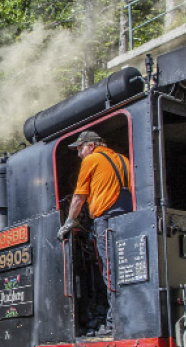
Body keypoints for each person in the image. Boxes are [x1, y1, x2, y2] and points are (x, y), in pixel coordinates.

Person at [56, 130, 132, 334]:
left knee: (109, 271)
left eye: (80, 148)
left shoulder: (91, 161)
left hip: (106, 220)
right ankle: (125, 317)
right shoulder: (124, 160)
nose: (79, 153)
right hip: (129, 220)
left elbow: (79, 196)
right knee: (125, 270)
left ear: (91, 145)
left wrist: (69, 222)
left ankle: (114, 323)